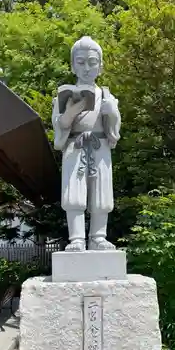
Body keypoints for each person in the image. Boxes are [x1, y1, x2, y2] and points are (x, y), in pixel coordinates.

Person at [52, 36, 121, 251]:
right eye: (81, 62)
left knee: (102, 194)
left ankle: (98, 236)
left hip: (99, 145)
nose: (87, 68)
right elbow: (60, 125)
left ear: (100, 66)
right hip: (74, 146)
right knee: (74, 194)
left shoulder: (107, 95)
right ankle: (77, 239)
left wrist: (113, 113)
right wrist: (72, 109)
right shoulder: (64, 96)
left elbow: (114, 129)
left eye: (92, 62)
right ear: (73, 65)